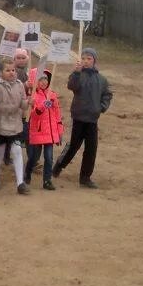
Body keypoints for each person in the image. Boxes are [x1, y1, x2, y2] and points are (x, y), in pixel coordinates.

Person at [53, 48, 112, 188]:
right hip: (79, 116)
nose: (86, 61)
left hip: (92, 118)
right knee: (74, 145)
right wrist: (76, 73)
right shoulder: (78, 75)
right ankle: (58, 166)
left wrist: (101, 107)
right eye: (83, 58)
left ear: (94, 61)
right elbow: (72, 86)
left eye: (89, 59)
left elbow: (107, 94)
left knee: (91, 148)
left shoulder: (101, 79)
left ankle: (85, 177)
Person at [0, 57, 30, 195]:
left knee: (17, 151)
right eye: (8, 70)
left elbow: (23, 104)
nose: (11, 73)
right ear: (1, 72)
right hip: (1, 124)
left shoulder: (19, 85)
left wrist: (29, 102)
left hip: (15, 123)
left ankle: (20, 182)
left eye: (13, 70)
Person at [27, 70, 62, 190]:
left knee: (49, 157)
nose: (43, 82)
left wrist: (59, 131)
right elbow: (33, 115)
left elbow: (57, 114)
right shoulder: (33, 96)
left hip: (50, 133)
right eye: (40, 79)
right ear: (34, 81)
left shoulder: (52, 95)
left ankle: (47, 180)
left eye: (46, 79)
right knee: (34, 157)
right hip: (38, 131)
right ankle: (27, 173)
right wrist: (42, 106)